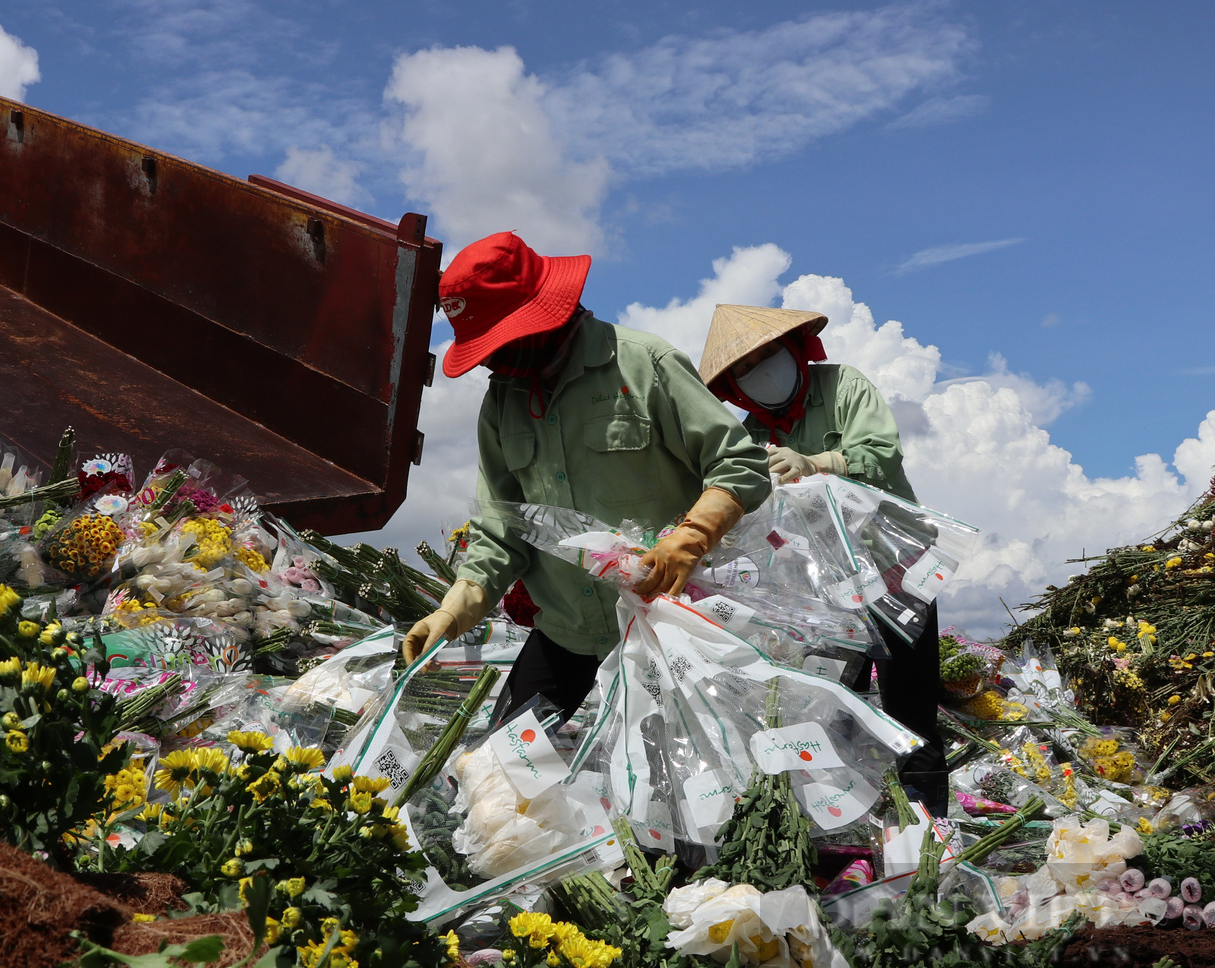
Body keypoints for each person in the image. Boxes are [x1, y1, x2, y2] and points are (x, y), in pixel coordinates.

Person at [403, 234, 772, 724]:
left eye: (499, 343)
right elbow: (500, 528)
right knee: (501, 768)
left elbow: (740, 462)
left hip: (666, 621)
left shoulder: (645, 365)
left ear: (541, 316)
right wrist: (455, 609)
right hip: (567, 633)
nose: (492, 361)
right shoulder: (502, 404)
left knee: (682, 781)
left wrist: (692, 535)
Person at [697, 304, 949, 817]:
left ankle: (929, 823)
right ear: (735, 385)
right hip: (821, 593)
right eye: (747, 367)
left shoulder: (843, 388)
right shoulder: (748, 437)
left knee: (911, 704)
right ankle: (850, 821)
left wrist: (819, 463)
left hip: (893, 567)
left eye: (770, 354)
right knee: (836, 706)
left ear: (795, 349)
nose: (763, 370)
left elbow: (880, 452)